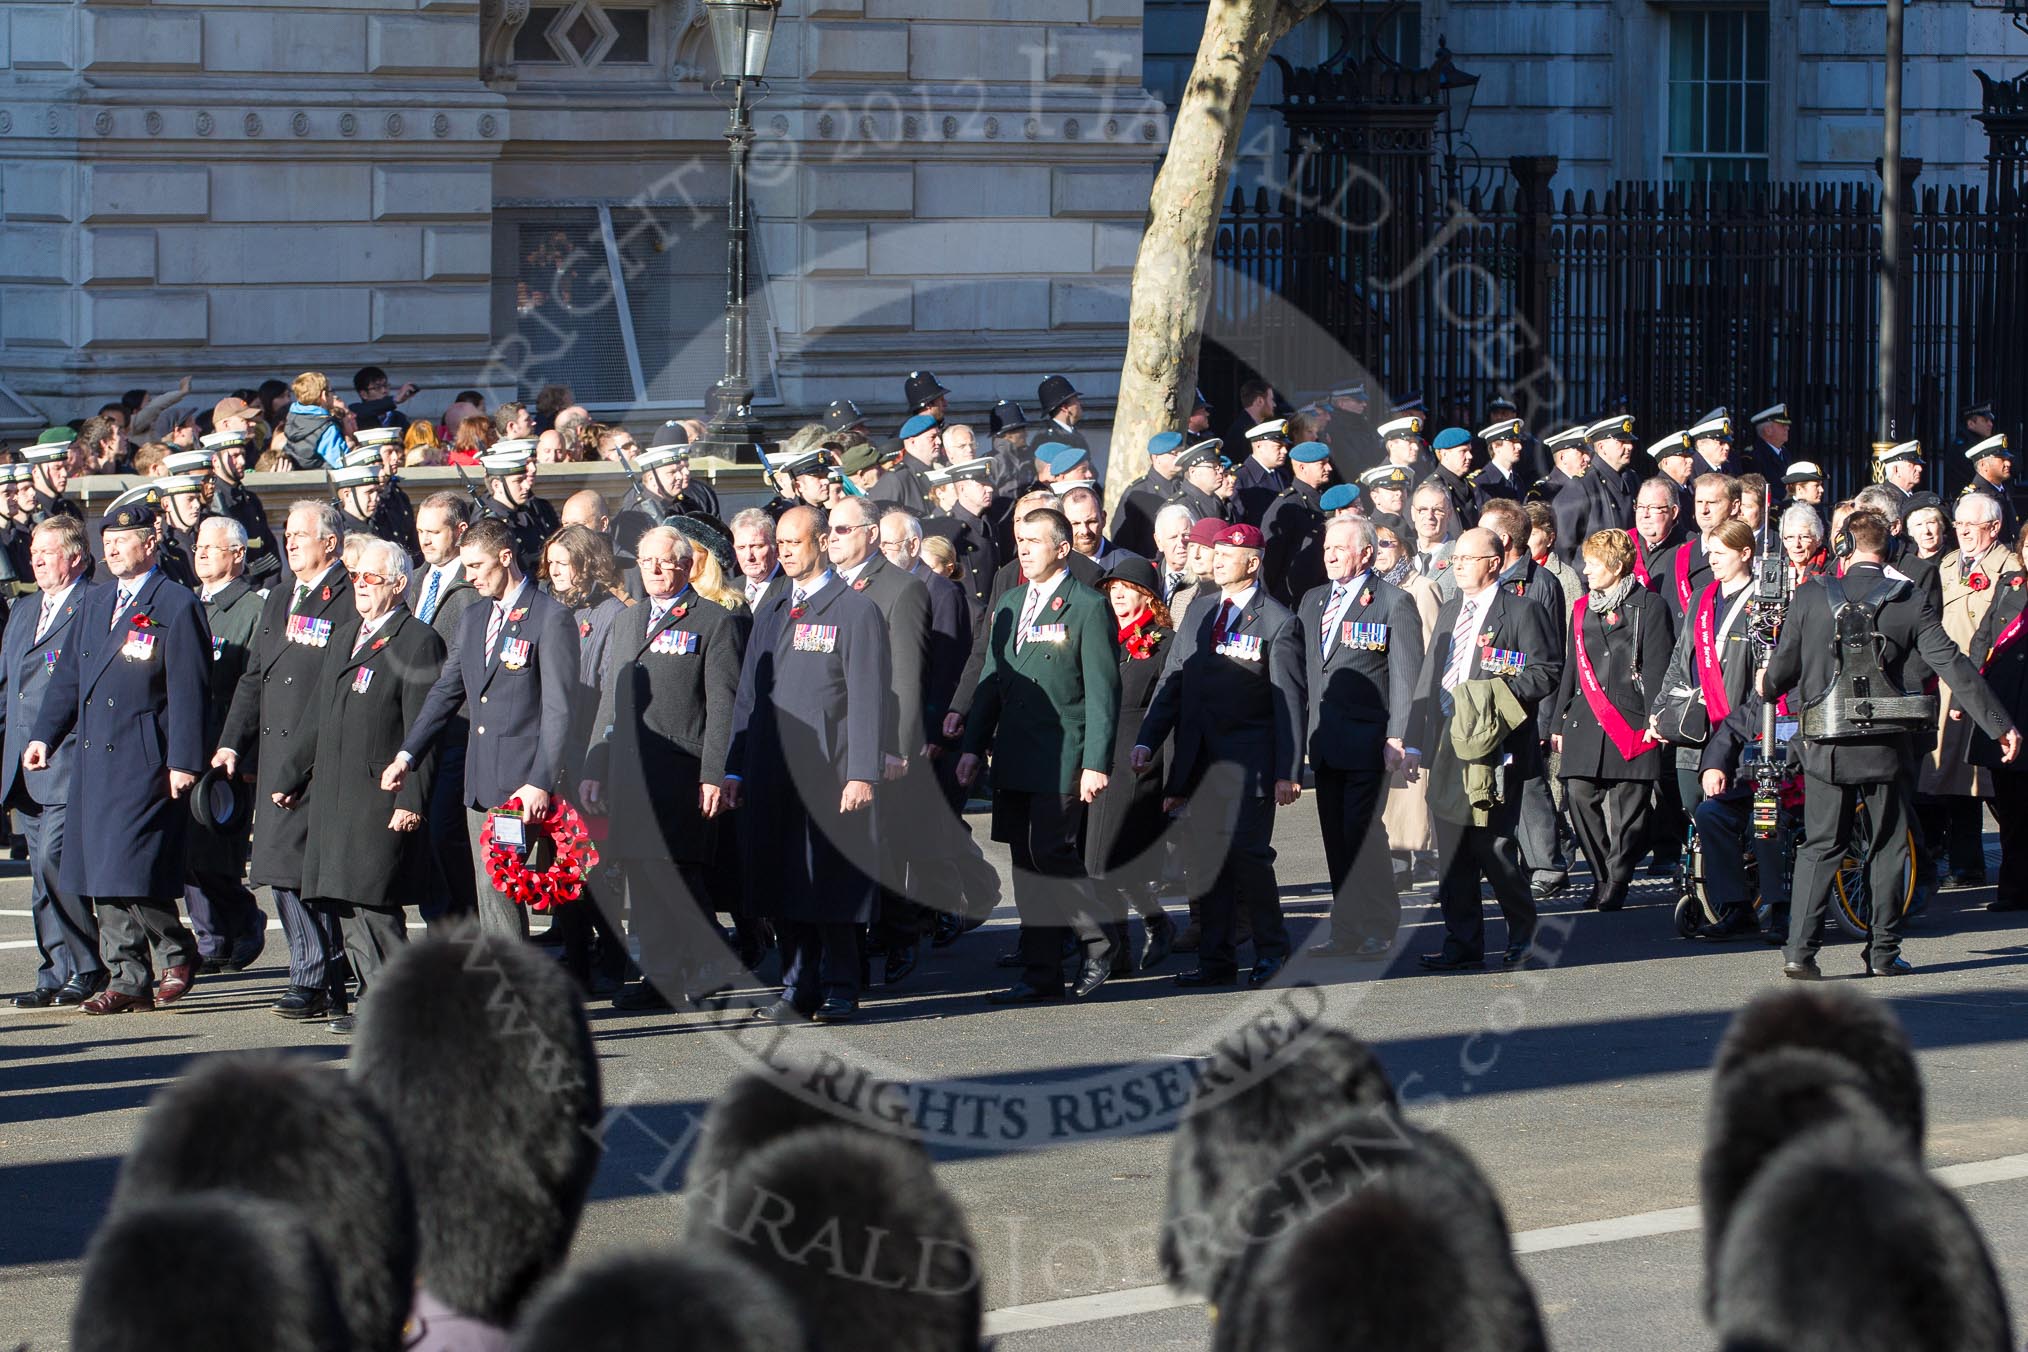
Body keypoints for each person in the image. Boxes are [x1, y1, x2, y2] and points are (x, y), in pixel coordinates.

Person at [1764, 509, 2020, 978]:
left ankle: (1800, 951)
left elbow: (1780, 672)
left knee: (1821, 845)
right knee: (1887, 846)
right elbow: (1953, 665)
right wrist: (1999, 723)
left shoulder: (1809, 595)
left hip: (1826, 742)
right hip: (1888, 744)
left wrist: (1765, 685)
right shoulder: (1909, 598)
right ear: (1889, 550)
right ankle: (1882, 953)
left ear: (1845, 545)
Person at [25, 486, 209, 1014]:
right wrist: (43, 736)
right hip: (92, 757)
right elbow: (69, 678)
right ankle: (127, 975)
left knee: (132, 863)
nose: (112, 549)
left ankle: (176, 950)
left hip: (144, 756)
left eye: (124, 539)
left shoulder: (175, 603)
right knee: (97, 867)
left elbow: (190, 689)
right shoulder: (96, 600)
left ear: (151, 542)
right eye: (107, 540)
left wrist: (184, 761)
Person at [269, 536, 444, 1033]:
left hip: (379, 797)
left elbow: (423, 730)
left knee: (375, 902)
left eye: (372, 579)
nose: (361, 587)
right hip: (334, 795)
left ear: (399, 585)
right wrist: (290, 775)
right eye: (357, 578)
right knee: (344, 901)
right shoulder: (345, 634)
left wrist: (412, 798)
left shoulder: (418, 640)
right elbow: (316, 717)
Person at [726, 507, 888, 1023]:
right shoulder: (773, 608)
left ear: (821, 541)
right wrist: (734, 768)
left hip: (830, 768)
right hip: (772, 768)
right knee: (781, 877)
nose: (785, 550)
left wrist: (862, 771)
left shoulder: (855, 611)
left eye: (794, 542)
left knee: (831, 880)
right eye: (781, 542)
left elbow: (868, 698)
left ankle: (842, 984)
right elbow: (748, 695)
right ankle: (798, 985)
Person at [387, 516, 581, 938]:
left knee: (510, 889)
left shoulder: (550, 618)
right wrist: (408, 753)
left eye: (476, 566)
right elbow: (445, 691)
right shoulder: (475, 618)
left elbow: (559, 710)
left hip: (522, 783)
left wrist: (540, 782)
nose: (469, 576)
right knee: (494, 888)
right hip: (480, 779)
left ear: (506, 558)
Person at [958, 506, 1122, 1002]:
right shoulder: (1009, 601)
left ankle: (1100, 938)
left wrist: (1096, 762)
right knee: (1027, 864)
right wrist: (971, 745)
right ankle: (1040, 972)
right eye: (1019, 540)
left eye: (1034, 541)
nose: (1023, 550)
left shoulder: (1088, 606)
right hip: (1014, 753)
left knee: (1051, 852)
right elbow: (990, 679)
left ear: (1062, 548)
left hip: (1063, 754)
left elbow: (1101, 692)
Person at [1133, 523, 1305, 987]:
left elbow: (1287, 701)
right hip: (1200, 762)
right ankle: (1216, 961)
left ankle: (1273, 951)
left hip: (1250, 764)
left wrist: (1287, 772)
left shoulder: (1278, 621)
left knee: (1248, 859)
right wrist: (1148, 739)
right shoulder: (1201, 611)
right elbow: (1173, 681)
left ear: (1253, 562)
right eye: (1220, 552)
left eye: (1232, 553)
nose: (1221, 559)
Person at [581, 525, 745, 1011]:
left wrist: (715, 772)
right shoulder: (628, 622)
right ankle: (660, 980)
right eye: (645, 560)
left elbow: (723, 706)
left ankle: (716, 969)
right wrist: (595, 762)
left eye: (663, 560)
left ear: (685, 565)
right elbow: (613, 700)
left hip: (681, 772)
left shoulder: (714, 621)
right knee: (644, 879)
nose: (652, 569)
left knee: (677, 875)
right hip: (631, 773)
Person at [215, 501, 359, 1021]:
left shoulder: (348, 597)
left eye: (302, 534)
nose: (290, 541)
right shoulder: (278, 596)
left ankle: (319, 973)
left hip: (320, 755)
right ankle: (315, 968)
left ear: (331, 542)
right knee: (278, 868)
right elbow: (254, 677)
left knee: (309, 870)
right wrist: (233, 740)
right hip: (275, 754)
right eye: (287, 533)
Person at [1408, 527, 1563, 971]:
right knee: (1453, 850)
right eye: (1455, 558)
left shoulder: (1521, 610)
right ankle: (1463, 943)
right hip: (1446, 743)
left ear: (1493, 563)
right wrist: (1415, 740)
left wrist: (1491, 699)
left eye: (1466, 559)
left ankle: (1522, 935)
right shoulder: (1451, 609)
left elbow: (1545, 672)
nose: (1456, 565)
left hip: (1494, 746)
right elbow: (1429, 676)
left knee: (1492, 845)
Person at [1299, 517, 1420, 959]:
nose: (1329, 555)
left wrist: (1399, 736)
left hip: (1371, 742)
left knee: (1363, 830)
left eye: (1339, 548)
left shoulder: (1393, 602)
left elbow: (1407, 675)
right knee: (1335, 835)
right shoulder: (1312, 601)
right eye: (1327, 548)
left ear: (1366, 554)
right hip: (1324, 741)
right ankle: (1346, 928)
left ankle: (1379, 925)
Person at [3, 516, 105, 1007]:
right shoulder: (24, 609)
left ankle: (87, 966)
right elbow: (8, 686)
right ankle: (55, 969)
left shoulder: (94, 604)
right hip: (22, 765)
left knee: (55, 861)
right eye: (34, 552)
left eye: (48, 551)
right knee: (40, 876)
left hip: (67, 759)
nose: (36, 559)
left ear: (77, 557)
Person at [1667, 520, 1785, 941]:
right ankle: (1734, 905)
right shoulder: (1703, 599)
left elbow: (1769, 681)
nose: (1710, 560)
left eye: (1720, 552)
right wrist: (1666, 712)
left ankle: (1781, 904)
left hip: (1753, 732)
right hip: (1704, 731)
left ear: (1746, 553)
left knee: (1766, 818)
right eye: (1709, 552)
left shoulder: (1769, 603)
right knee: (1705, 813)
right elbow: (1681, 662)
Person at [1552, 529, 1674, 912]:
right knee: (1578, 794)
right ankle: (1604, 872)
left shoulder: (1649, 606)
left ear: (1617, 566)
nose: (1585, 571)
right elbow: (1573, 667)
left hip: (1632, 718)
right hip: (1587, 717)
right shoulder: (1582, 607)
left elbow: (1657, 666)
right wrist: (1556, 722)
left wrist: (1657, 716)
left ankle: (1617, 879)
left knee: (1629, 811)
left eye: (1593, 563)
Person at [543, 524, 635, 992]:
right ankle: (577, 958)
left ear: (587, 563)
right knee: (563, 865)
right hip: (552, 758)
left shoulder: (613, 614)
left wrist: (596, 764)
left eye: (563, 562)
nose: (554, 571)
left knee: (590, 865)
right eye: (551, 563)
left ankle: (614, 958)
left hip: (588, 757)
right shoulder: (547, 608)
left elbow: (610, 696)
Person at [1085, 555, 1179, 973]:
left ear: (1148, 595)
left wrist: (1169, 774)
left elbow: (1169, 709)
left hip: (1137, 759)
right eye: (1112, 588)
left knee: (1105, 857)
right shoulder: (1103, 635)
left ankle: (1112, 948)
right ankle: (1149, 927)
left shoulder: (1164, 642)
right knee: (1105, 856)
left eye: (1128, 588)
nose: (1118, 594)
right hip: (1096, 756)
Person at [1921, 492, 2020, 889]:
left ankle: (1980, 864)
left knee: (1984, 783)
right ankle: (1950, 861)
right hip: (1946, 683)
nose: (1962, 531)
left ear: (1994, 528)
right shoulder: (1947, 564)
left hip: (1982, 684)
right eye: (1958, 524)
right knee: (1944, 780)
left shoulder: (2008, 567)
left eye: (1971, 525)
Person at [183, 517, 268, 974]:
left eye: (212, 548)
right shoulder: (188, 603)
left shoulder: (252, 608)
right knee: (188, 852)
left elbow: (255, 689)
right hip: (188, 746)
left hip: (227, 750)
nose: (201, 555)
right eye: (198, 547)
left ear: (238, 555)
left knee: (217, 851)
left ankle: (242, 920)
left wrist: (247, 753)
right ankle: (210, 937)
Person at [407, 492, 481, 926]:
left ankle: (464, 922)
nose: (426, 541)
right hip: (418, 726)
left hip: (460, 726)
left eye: (434, 532)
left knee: (445, 830)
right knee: (423, 835)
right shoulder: (416, 580)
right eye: (420, 532)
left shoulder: (472, 589)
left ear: (460, 531)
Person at [1968, 560, 2028, 911]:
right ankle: (2013, 890)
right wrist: (1967, 693)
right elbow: (1984, 638)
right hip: (2007, 702)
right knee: (2010, 802)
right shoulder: (2011, 584)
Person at [1260, 440, 1334, 605]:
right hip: (1291, 600)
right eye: (1322, 464)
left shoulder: (1319, 500)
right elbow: (1269, 563)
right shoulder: (1287, 505)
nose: (1329, 468)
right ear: (1302, 468)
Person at [475, 438, 557, 573]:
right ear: (497, 485)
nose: (526, 485)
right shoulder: (487, 521)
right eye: (519, 480)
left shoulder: (532, 508)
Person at [1111, 431, 1185, 558]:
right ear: (1156, 458)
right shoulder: (1139, 492)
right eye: (1174, 453)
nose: (1180, 457)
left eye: (1181, 452)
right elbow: (1122, 539)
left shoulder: (1183, 486)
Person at [1959, 433, 2017, 545]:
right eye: (2002, 459)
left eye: (2008, 459)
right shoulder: (1975, 497)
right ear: (1983, 465)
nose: (2008, 463)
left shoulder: (2001, 490)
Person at [1424, 427, 1478, 526]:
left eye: (1469, 451)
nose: (1470, 456)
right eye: (1463, 451)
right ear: (1444, 454)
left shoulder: (1468, 483)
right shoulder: (1433, 487)